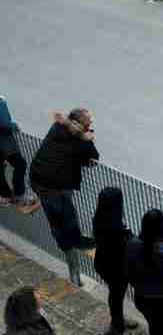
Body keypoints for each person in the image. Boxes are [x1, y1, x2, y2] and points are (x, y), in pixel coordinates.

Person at [29, 109, 99, 287]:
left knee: (54, 215)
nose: (91, 123)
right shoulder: (78, 140)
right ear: (82, 125)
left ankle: (67, 243)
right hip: (56, 186)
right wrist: (88, 139)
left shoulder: (57, 127)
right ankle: (73, 243)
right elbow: (92, 159)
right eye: (89, 121)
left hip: (38, 179)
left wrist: (83, 136)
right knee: (65, 217)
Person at [93, 187, 139, 335]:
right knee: (116, 294)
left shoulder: (100, 217)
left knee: (116, 294)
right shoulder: (113, 227)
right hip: (114, 268)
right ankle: (117, 325)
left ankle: (118, 321)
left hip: (104, 263)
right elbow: (122, 244)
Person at [0, 96, 29, 207]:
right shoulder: (1, 102)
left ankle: (5, 195)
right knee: (20, 164)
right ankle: (18, 194)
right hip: (5, 143)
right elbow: (4, 123)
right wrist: (15, 126)